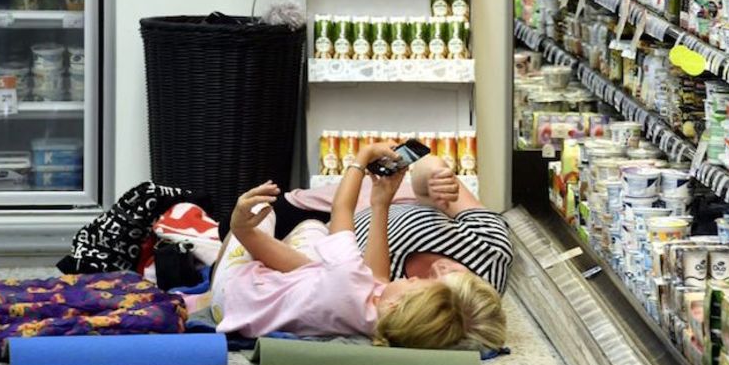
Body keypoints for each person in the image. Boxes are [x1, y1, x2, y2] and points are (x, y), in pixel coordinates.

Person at [209, 142, 506, 350]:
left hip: (234, 294)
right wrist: (384, 202)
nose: (416, 276)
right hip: (322, 272)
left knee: (278, 221)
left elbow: (342, 209)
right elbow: (375, 279)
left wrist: (361, 159)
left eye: (424, 282)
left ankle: (231, 249)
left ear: (397, 306)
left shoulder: (360, 283)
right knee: (314, 250)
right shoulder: (384, 319)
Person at [218, 148, 514, 295]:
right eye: (460, 272)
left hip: (340, 230)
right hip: (373, 202)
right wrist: (437, 178)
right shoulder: (489, 251)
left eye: (436, 284)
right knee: (244, 220)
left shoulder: (392, 292)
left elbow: (328, 262)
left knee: (234, 227)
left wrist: (359, 164)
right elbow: (427, 163)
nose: (441, 266)